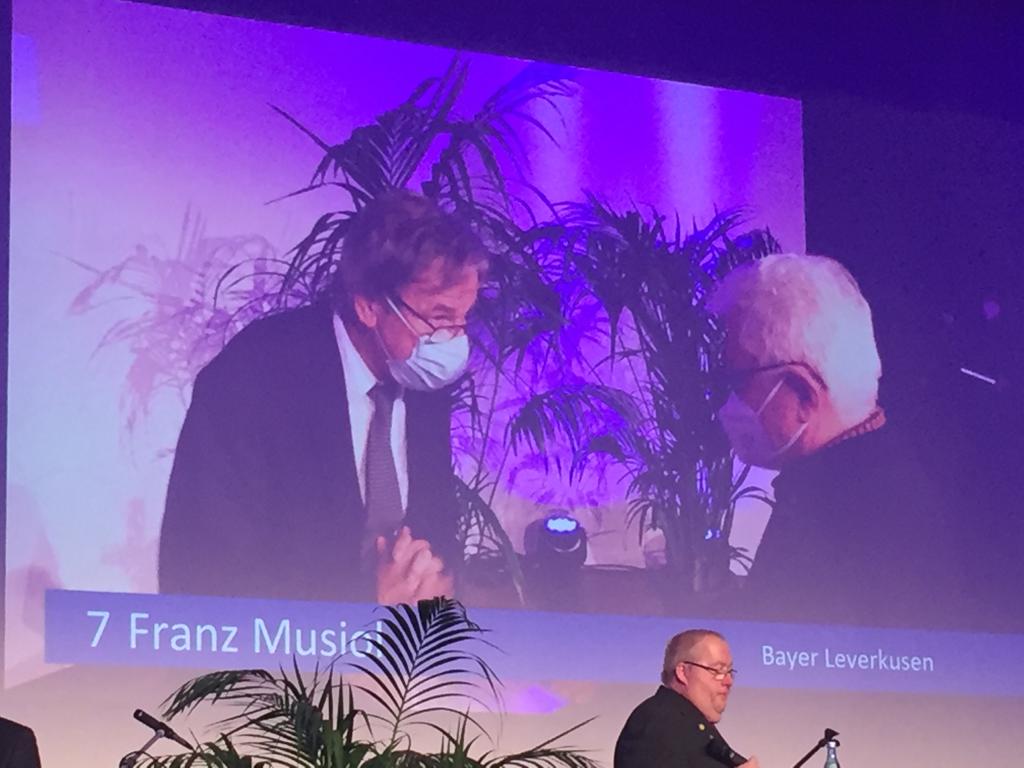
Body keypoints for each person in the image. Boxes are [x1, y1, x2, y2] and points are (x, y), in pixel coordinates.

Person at [159, 190, 488, 603]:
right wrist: (364, 610)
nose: (455, 339)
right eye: (440, 317)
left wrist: (437, 579)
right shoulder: (250, 380)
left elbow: (436, 521)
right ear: (369, 306)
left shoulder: (423, 375)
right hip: (283, 643)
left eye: (464, 318)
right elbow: (202, 573)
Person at [709, 253, 963, 627]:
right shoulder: (879, 476)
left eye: (736, 381)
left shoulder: (846, 512)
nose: (726, 402)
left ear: (803, 393)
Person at [614, 629, 757, 768]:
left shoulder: (690, 723)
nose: (728, 681)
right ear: (683, 672)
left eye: (729, 672)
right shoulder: (658, 720)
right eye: (717, 670)